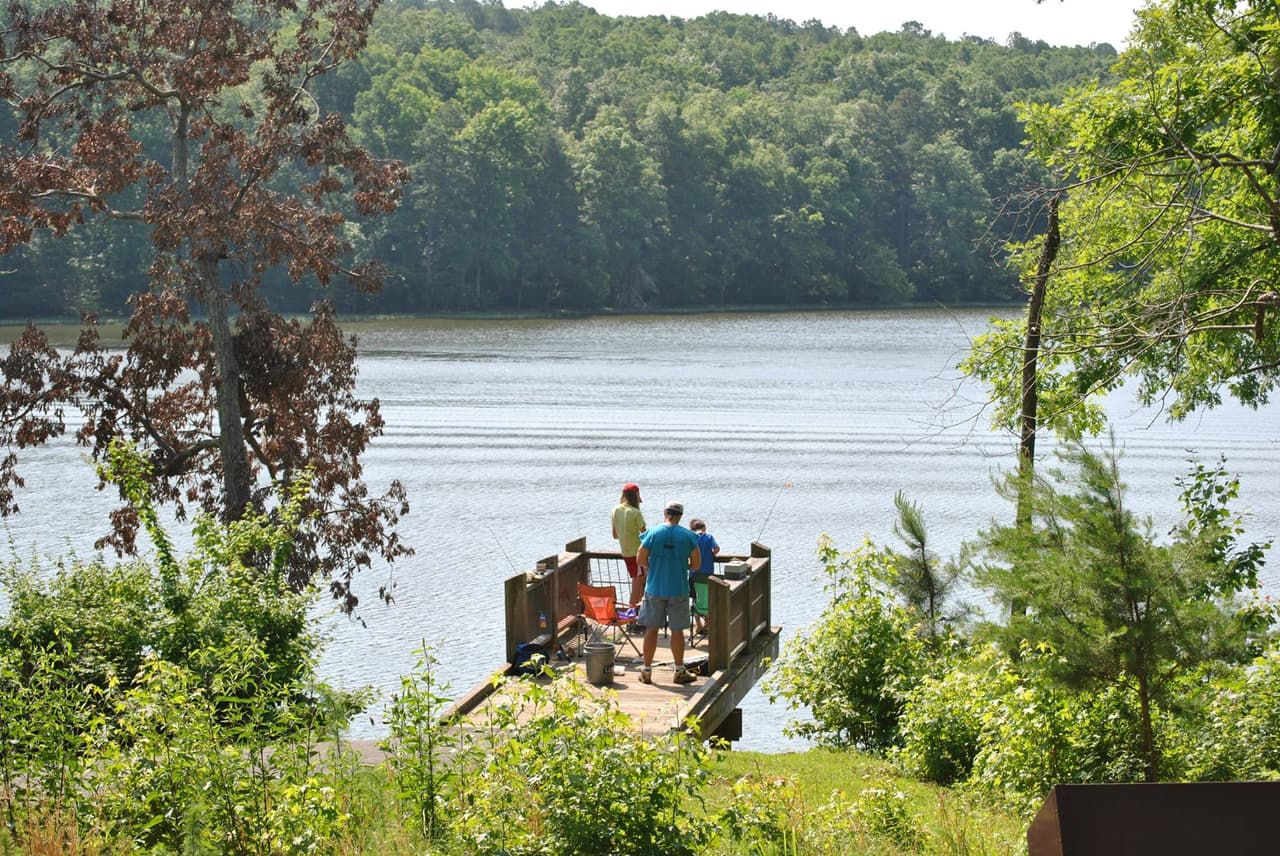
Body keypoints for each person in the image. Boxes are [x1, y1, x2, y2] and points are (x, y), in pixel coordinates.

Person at [636, 501, 701, 685]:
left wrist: (654, 566)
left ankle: (646, 671)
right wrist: (682, 565)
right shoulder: (689, 536)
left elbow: (640, 559)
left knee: (651, 629)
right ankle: (679, 671)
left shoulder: (652, 533)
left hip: (654, 587)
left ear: (665, 513)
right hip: (678, 588)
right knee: (677, 630)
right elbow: (696, 564)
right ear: (680, 516)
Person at [611, 482, 647, 607]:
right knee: (638, 585)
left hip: (626, 553)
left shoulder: (615, 510)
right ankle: (632, 612)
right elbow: (646, 536)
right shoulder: (636, 513)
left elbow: (615, 535)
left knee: (638, 582)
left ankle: (638, 612)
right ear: (636, 495)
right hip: (638, 553)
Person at [688, 518, 719, 634]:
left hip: (694, 574)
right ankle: (708, 624)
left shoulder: (691, 538)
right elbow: (717, 548)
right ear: (704, 528)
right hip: (707, 574)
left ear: (692, 529)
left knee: (695, 599)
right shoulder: (709, 537)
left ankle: (698, 625)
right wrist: (711, 555)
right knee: (707, 599)